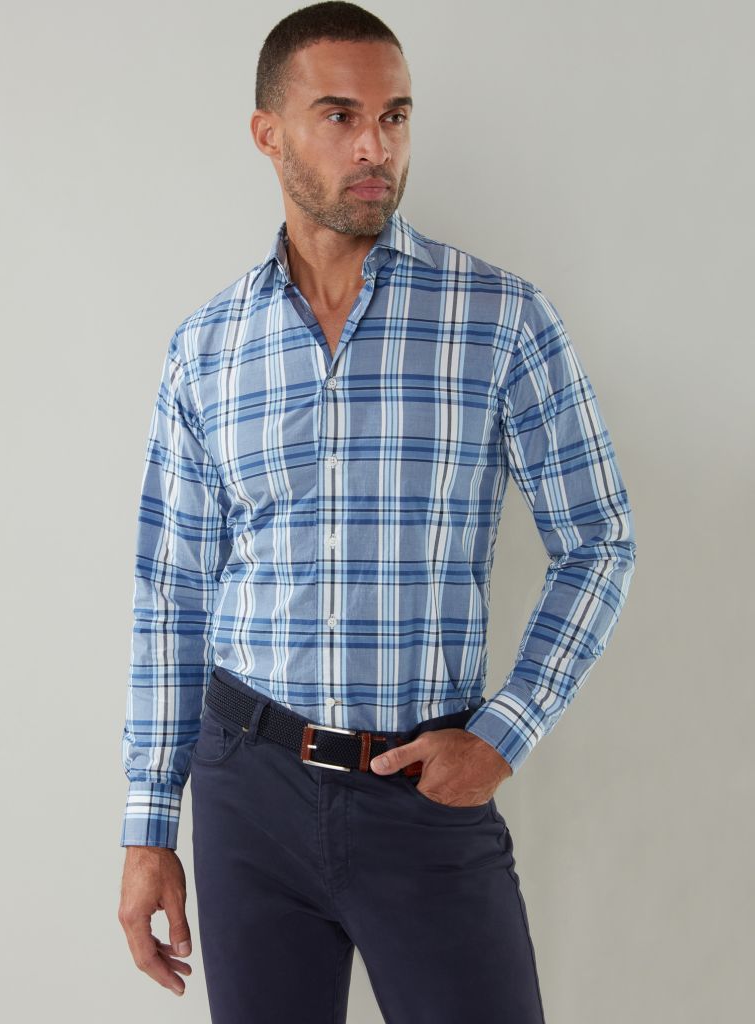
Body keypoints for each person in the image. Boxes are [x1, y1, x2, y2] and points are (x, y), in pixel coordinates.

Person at [117, 3, 637, 1021]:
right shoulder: (207, 348)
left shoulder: (500, 318)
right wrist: (148, 827)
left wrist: (505, 730)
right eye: (340, 115)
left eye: (394, 116)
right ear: (268, 132)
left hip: (423, 789)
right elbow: (171, 593)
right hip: (247, 792)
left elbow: (598, 538)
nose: (375, 146)